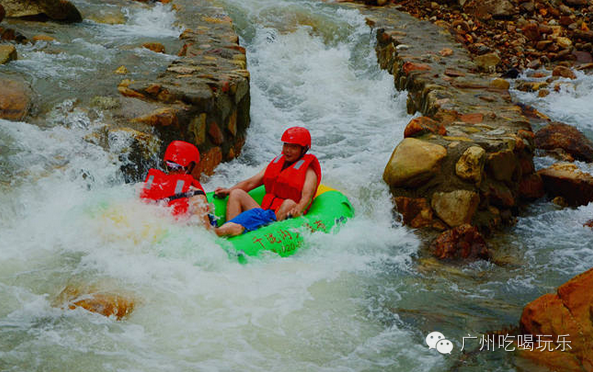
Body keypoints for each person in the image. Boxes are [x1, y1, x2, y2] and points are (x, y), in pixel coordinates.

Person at [214, 126, 322, 237]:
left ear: (303, 150)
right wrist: (228, 190)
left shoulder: (309, 173)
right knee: (236, 193)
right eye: (286, 145)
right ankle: (230, 229)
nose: (288, 150)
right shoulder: (277, 164)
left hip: (281, 216)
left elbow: (307, 197)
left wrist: (298, 209)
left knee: (289, 203)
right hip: (265, 212)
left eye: (294, 147)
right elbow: (251, 183)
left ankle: (264, 234)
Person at [140, 140, 212, 228]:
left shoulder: (151, 184)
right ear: (190, 166)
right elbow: (206, 233)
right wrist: (228, 230)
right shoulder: (195, 195)